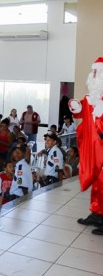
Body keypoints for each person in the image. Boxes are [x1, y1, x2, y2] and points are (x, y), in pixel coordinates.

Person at [69, 57, 103, 235]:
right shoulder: (92, 99)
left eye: (98, 72)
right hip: (94, 150)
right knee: (97, 184)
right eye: (94, 72)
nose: (94, 75)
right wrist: (75, 106)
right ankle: (96, 213)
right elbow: (81, 110)